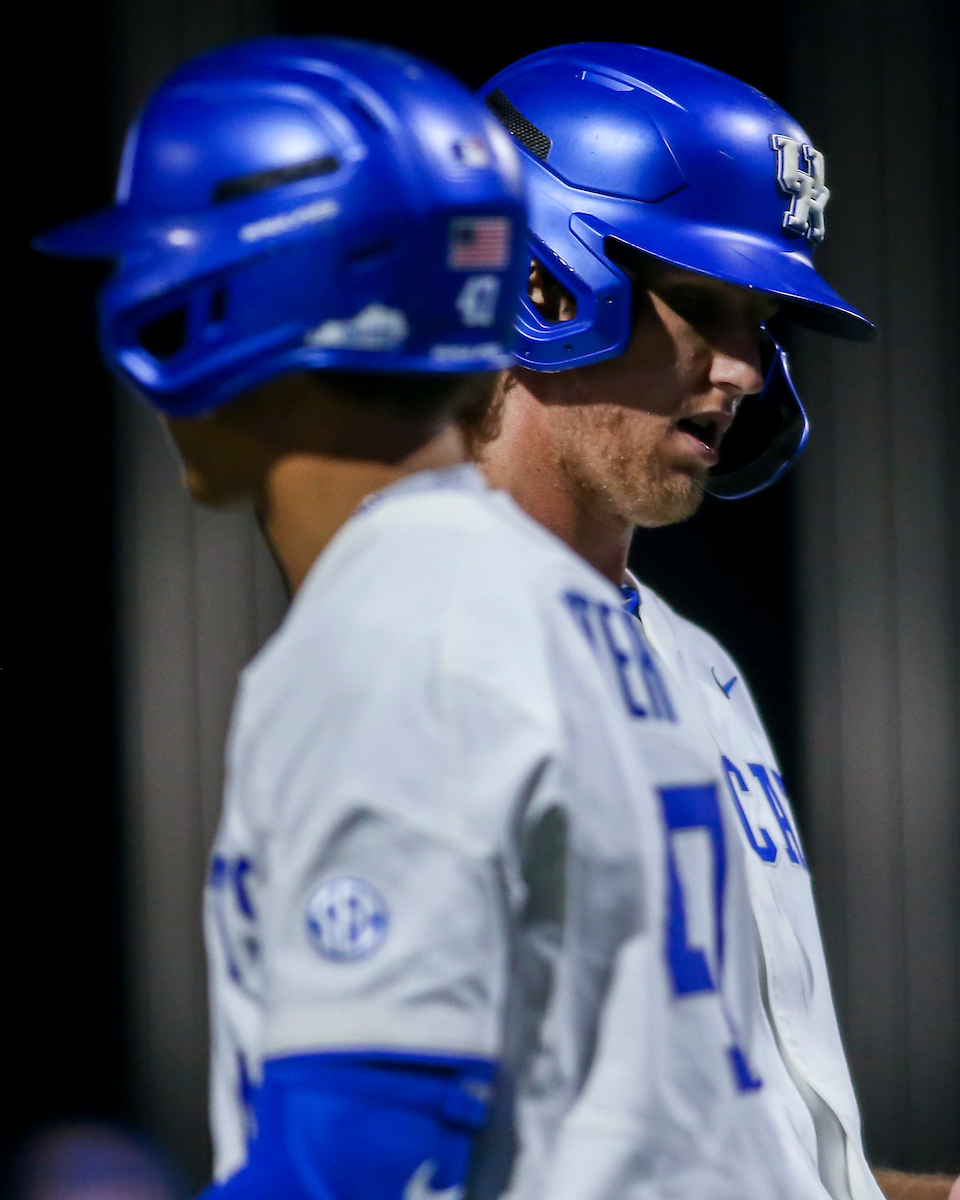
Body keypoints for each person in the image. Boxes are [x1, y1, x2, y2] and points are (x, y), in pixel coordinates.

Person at [37, 35, 827, 1200]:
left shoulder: (407, 628)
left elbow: (361, 1158)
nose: (745, 371)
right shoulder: (569, 625)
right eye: (705, 309)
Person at [477, 41, 960, 1200]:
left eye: (762, 322)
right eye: (702, 305)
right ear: (538, 277)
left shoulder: (695, 664)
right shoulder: (426, 653)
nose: (745, 370)